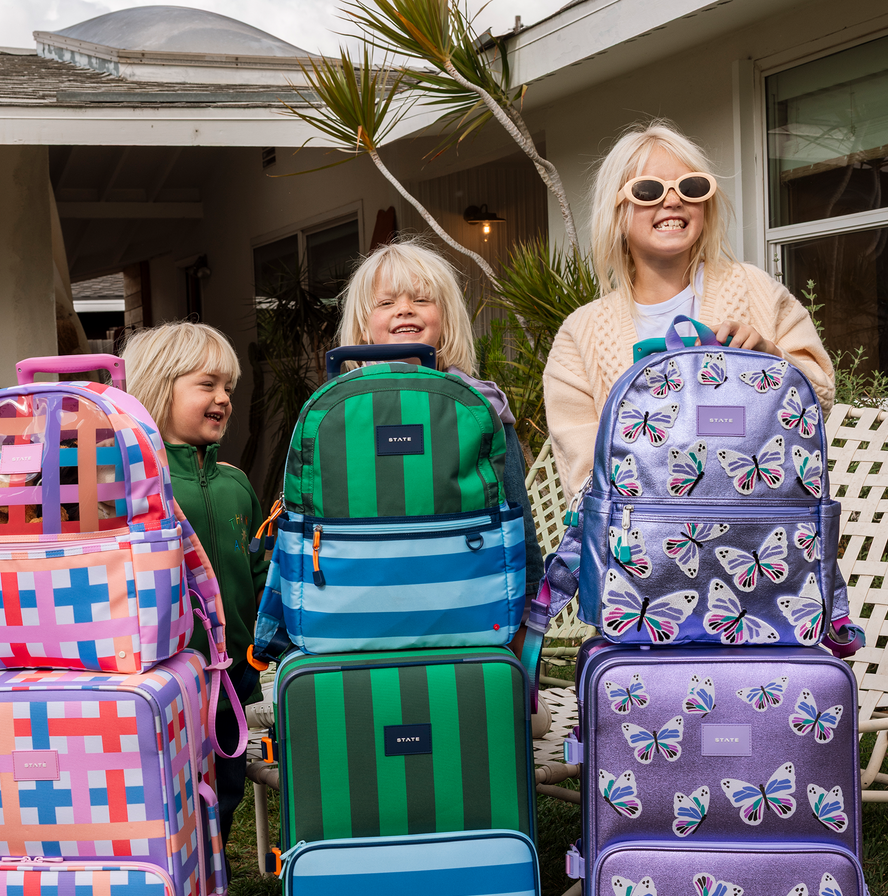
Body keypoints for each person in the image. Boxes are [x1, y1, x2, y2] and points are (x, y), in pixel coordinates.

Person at [543, 120, 835, 498]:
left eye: (690, 186)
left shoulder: (754, 289)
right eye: (648, 190)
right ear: (616, 212)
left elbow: (821, 397)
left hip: (758, 524)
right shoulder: (580, 334)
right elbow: (584, 477)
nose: (672, 200)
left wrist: (772, 358)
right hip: (642, 544)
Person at [126, 321, 268, 896]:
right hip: (167, 673)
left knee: (225, 788)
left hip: (231, 672)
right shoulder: (138, 485)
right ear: (158, 390)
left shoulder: (236, 482)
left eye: (228, 387)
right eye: (207, 383)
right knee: (169, 791)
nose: (223, 398)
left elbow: (257, 568)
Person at [338, 239, 545, 613]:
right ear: (362, 325)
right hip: (359, 597)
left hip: (467, 593)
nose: (404, 310)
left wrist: (529, 595)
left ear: (446, 316)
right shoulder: (338, 412)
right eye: (386, 303)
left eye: (421, 300)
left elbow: (516, 512)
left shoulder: (481, 405)